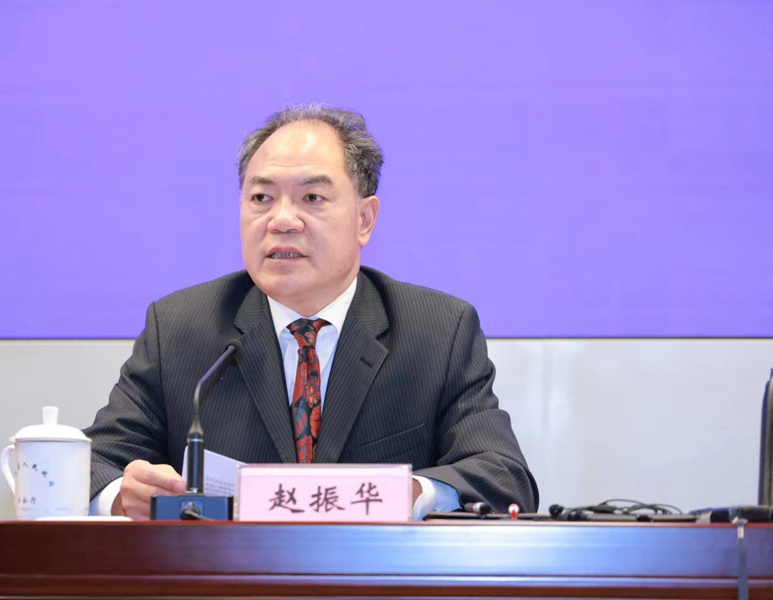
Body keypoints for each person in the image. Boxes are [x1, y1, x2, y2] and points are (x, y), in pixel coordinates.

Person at [84, 104, 538, 520]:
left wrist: (414, 493)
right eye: (261, 198)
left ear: (364, 220)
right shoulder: (180, 328)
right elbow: (92, 465)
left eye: (313, 198)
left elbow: (503, 476)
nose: (282, 220)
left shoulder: (437, 331)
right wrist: (122, 495)